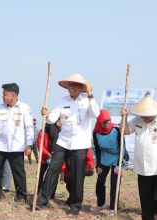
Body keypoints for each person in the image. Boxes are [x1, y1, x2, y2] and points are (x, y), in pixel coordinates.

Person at [36, 73, 100, 215]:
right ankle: (42, 201)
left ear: (80, 87)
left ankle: (75, 206)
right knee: (53, 169)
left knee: (77, 175)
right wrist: (45, 114)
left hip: (80, 144)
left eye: (74, 85)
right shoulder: (62, 100)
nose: (71, 87)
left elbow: (96, 113)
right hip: (62, 142)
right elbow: (52, 119)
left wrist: (90, 94)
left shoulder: (87, 100)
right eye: (69, 85)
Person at [121, 96, 157, 219]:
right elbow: (124, 131)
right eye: (142, 115)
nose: (144, 117)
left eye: (146, 115)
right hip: (143, 168)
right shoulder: (138, 120)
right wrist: (124, 117)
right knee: (146, 199)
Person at [0, 83, 33, 203]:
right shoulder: (0, 107)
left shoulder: (24, 108)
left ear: (13, 95)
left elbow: (29, 127)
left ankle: (21, 196)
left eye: (4, 94)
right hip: (1, 145)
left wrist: (29, 144)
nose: (2, 96)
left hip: (17, 146)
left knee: (18, 172)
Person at [90, 109, 128, 215]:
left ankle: (112, 208)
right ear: (99, 122)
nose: (106, 124)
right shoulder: (96, 133)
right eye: (104, 122)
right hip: (104, 159)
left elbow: (122, 148)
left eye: (108, 121)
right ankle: (101, 204)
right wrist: (98, 165)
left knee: (114, 184)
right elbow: (97, 149)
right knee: (100, 182)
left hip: (117, 160)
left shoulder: (116, 130)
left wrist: (121, 164)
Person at [36, 119, 61, 198]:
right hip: (44, 158)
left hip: (55, 157)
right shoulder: (43, 132)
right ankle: (38, 192)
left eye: (60, 120)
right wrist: (48, 154)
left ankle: (51, 194)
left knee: (54, 176)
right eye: (58, 120)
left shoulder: (60, 132)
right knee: (39, 175)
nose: (59, 122)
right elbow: (40, 145)